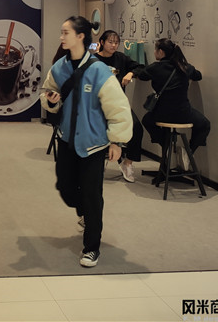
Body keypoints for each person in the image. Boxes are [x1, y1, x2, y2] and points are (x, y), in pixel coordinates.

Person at [40, 16, 132, 268]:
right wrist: (51, 100)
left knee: (92, 195)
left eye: (65, 32)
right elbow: (47, 95)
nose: (61, 37)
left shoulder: (99, 71)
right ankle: (85, 213)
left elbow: (119, 109)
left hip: (94, 144)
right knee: (66, 188)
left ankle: (92, 247)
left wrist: (117, 142)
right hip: (66, 139)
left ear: (80, 36)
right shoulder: (59, 68)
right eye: (61, 32)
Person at [133, 38, 210, 171]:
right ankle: (189, 152)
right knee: (204, 124)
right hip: (183, 114)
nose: (154, 52)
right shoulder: (185, 67)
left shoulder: (155, 68)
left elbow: (141, 75)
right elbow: (198, 75)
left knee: (146, 120)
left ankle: (166, 147)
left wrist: (131, 73)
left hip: (161, 114)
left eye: (156, 49)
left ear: (161, 52)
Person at [94, 30, 146, 183]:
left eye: (116, 43)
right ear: (102, 42)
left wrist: (131, 73)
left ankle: (127, 163)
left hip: (118, 105)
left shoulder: (121, 58)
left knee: (136, 128)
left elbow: (141, 67)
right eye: (110, 42)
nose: (114, 45)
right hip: (97, 105)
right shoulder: (93, 61)